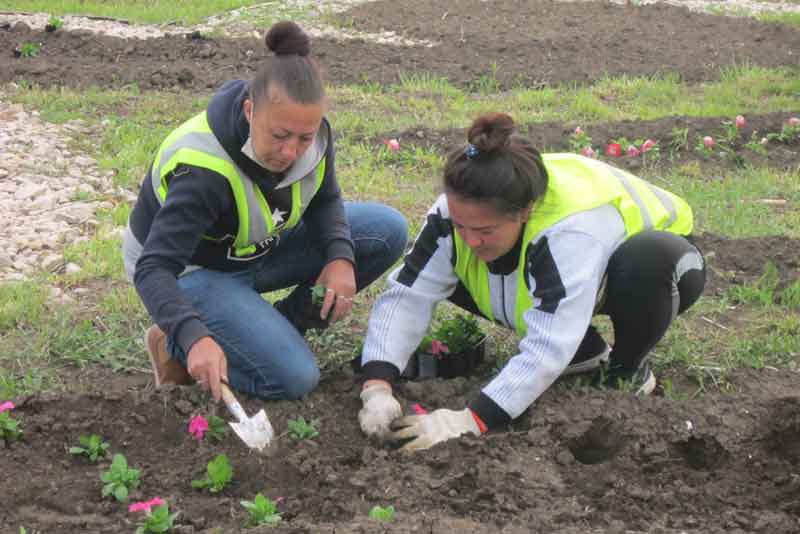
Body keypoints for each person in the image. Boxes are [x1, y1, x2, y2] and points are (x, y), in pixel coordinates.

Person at [357, 113, 705, 451]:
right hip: (567, 272)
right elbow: (408, 295)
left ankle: (627, 370)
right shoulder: (455, 213)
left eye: (484, 230)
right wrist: (377, 385)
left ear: (525, 211)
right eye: (462, 226)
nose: (470, 239)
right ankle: (585, 352)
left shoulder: (571, 229)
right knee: (454, 261)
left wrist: (471, 420)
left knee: (648, 262)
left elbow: (549, 344)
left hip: (662, 264)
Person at [123, 21, 407, 402]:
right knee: (295, 378)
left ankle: (274, 327)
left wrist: (340, 256)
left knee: (385, 230)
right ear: (249, 110)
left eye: (304, 138)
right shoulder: (205, 170)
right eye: (279, 136)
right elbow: (154, 268)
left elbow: (325, 199)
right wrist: (194, 336)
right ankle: (173, 340)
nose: (291, 152)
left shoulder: (312, 133)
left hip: (253, 247)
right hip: (190, 270)